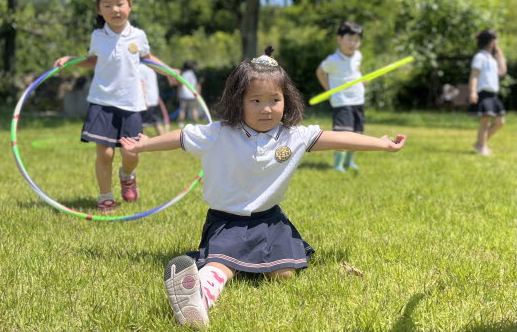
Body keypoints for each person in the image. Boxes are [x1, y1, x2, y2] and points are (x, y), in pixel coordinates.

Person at [120, 46, 406, 327]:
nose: (266, 109)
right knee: (222, 266)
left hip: (270, 221)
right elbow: (180, 136)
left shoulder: (293, 136)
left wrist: (381, 144)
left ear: (287, 100)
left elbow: (338, 138)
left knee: (283, 275)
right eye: (255, 101)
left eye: (274, 99)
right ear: (238, 102)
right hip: (227, 221)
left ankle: (231, 264)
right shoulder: (218, 133)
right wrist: (144, 145)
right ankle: (200, 295)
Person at [53, 0, 168, 213]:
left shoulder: (138, 35)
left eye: (119, 3)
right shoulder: (98, 36)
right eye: (107, 5)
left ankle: (127, 175)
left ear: (129, 4)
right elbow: (93, 61)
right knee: (104, 154)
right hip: (102, 101)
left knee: (131, 151)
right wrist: (70, 61)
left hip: (131, 102)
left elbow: (148, 58)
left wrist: (170, 72)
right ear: (99, 10)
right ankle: (105, 196)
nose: (114, 10)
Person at [316, 21, 365, 172]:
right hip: (342, 101)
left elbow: (355, 71)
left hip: (358, 99)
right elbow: (320, 72)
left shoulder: (358, 55)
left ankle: (349, 162)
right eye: (350, 39)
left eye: (356, 40)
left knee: (357, 133)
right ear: (339, 39)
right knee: (344, 134)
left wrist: (362, 80)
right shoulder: (333, 60)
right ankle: (337, 165)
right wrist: (329, 91)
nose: (353, 43)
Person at [467, 29, 507, 156]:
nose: (497, 42)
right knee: (485, 122)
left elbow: (502, 72)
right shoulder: (479, 57)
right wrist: (473, 92)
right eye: (495, 39)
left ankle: (480, 143)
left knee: (500, 122)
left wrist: (500, 57)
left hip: (493, 95)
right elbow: (474, 75)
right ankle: (482, 147)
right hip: (483, 93)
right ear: (490, 41)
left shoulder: (492, 59)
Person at [140, 63, 168, 135]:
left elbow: (141, 84)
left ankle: (141, 143)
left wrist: (143, 100)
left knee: (141, 124)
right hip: (154, 99)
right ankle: (163, 141)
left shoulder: (140, 67)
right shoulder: (151, 67)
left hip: (146, 100)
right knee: (156, 121)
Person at [177, 60, 202, 127]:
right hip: (193, 95)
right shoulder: (194, 74)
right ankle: (196, 122)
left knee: (182, 109)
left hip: (184, 95)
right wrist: (198, 94)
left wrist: (178, 93)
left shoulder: (183, 74)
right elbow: (198, 85)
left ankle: (180, 122)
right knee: (194, 109)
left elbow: (180, 85)